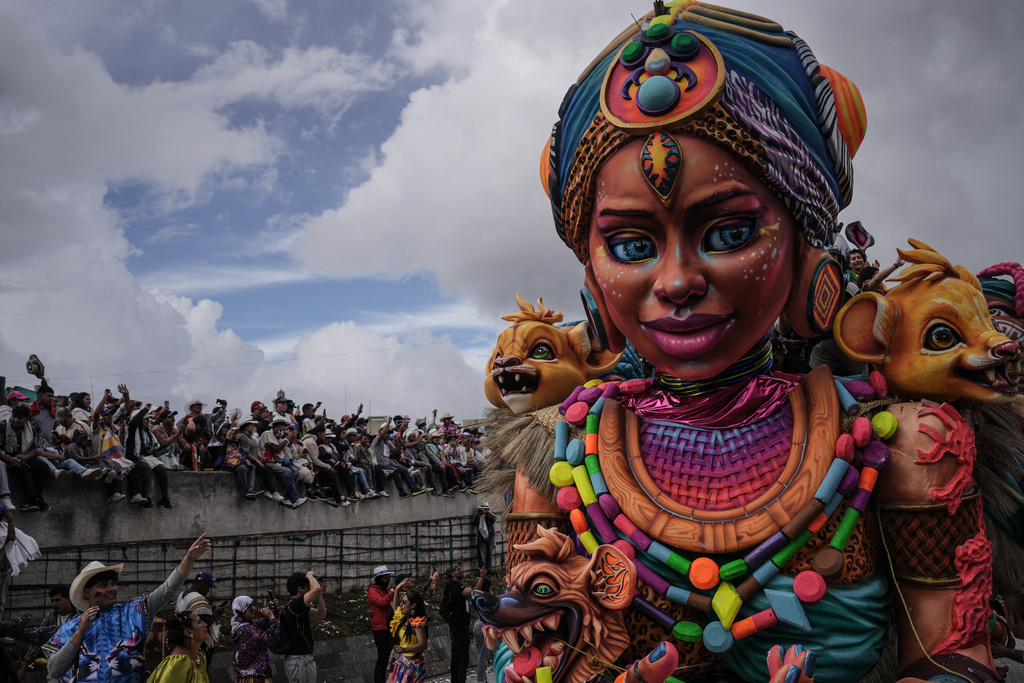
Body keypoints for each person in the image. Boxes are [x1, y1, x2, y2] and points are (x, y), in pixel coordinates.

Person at [43, 534, 211, 682]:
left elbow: (166, 590)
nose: (111, 588)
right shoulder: (71, 628)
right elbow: (54, 670)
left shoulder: (133, 611)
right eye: (103, 585)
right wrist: (80, 632)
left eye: (113, 584)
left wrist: (189, 559)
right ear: (87, 592)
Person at [17, 584, 79, 681]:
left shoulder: (79, 616)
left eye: (58, 600)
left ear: (68, 599)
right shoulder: (51, 617)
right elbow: (38, 639)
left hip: (77, 662)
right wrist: (24, 667)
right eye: (52, 601)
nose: (54, 604)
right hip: (58, 663)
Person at [0, 404, 52, 512]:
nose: (15, 420)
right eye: (14, 416)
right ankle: (37, 499)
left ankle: (29, 500)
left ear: (26, 419)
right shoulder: (3, 425)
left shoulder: (31, 429)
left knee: (43, 468)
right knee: (21, 466)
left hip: (22, 456)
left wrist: (25, 456)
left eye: (20, 418)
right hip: (5, 457)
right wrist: (9, 458)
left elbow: (34, 449)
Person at [278, 571, 325, 683]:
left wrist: (320, 595)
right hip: (299, 661)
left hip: (303, 659)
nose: (310, 588)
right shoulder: (295, 606)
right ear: (300, 588)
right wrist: (309, 576)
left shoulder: (298, 607)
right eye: (307, 585)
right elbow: (316, 589)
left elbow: (321, 614)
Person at [443, 564, 484, 683]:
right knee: (461, 659)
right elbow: (474, 593)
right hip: (458, 629)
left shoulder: (456, 586)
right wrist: (481, 577)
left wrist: (466, 629)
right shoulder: (455, 586)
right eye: (458, 570)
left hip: (461, 628)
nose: (462, 570)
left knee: (458, 658)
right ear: (453, 574)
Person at [145, 611, 210, 683]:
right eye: (199, 622)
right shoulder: (177, 663)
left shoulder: (200, 655)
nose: (205, 624)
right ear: (188, 632)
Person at [230, 595, 281, 683]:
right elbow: (270, 638)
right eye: (250, 606)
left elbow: (262, 624)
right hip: (253, 678)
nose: (254, 608)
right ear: (243, 609)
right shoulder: (247, 630)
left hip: (245, 677)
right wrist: (272, 618)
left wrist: (272, 610)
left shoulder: (240, 625)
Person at [388, 585, 428, 683]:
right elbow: (395, 607)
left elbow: (423, 644)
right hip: (401, 664)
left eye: (404, 602)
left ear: (413, 605)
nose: (401, 604)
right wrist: (397, 589)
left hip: (413, 666)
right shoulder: (402, 620)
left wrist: (405, 649)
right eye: (401, 601)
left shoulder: (416, 623)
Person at [368, 565, 395, 683]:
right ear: (379, 579)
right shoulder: (373, 591)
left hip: (390, 627)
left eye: (389, 578)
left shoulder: (386, 591)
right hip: (380, 629)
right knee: (383, 659)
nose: (388, 580)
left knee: (391, 658)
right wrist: (393, 591)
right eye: (385, 578)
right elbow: (382, 602)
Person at [472, 576, 494, 683]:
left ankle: (483, 678)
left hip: (477, 624)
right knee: (483, 655)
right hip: (484, 625)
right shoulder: (488, 597)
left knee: (482, 654)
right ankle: (481, 679)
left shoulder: (477, 596)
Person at [475, 503, 496, 576]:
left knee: (489, 555)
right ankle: (483, 571)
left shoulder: (490, 515)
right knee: (482, 555)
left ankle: (489, 570)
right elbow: (475, 523)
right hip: (481, 537)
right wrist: (478, 515)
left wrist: (486, 513)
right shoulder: (479, 517)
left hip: (490, 536)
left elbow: (493, 519)